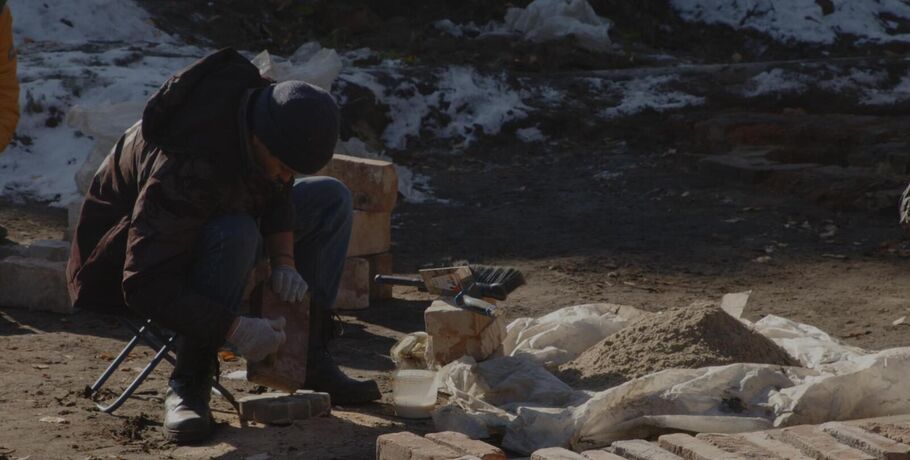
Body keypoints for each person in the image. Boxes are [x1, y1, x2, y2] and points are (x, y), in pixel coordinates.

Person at [66, 48, 380, 444]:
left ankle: (306, 356)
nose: (287, 178)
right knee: (237, 233)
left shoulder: (265, 114)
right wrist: (234, 329)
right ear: (256, 138)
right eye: (284, 166)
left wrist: (285, 261)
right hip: (124, 256)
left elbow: (277, 191)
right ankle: (190, 378)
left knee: (330, 198)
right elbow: (143, 282)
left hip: (201, 221)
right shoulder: (186, 163)